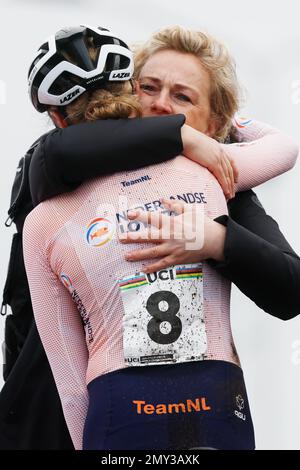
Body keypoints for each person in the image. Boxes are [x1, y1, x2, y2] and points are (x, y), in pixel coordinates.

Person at [21, 25, 300, 451]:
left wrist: (216, 240)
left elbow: (74, 389)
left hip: (115, 407)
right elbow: (283, 148)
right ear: (129, 89)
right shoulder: (209, 174)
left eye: (183, 98)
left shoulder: (46, 213)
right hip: (213, 401)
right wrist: (186, 134)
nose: (161, 106)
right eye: (147, 87)